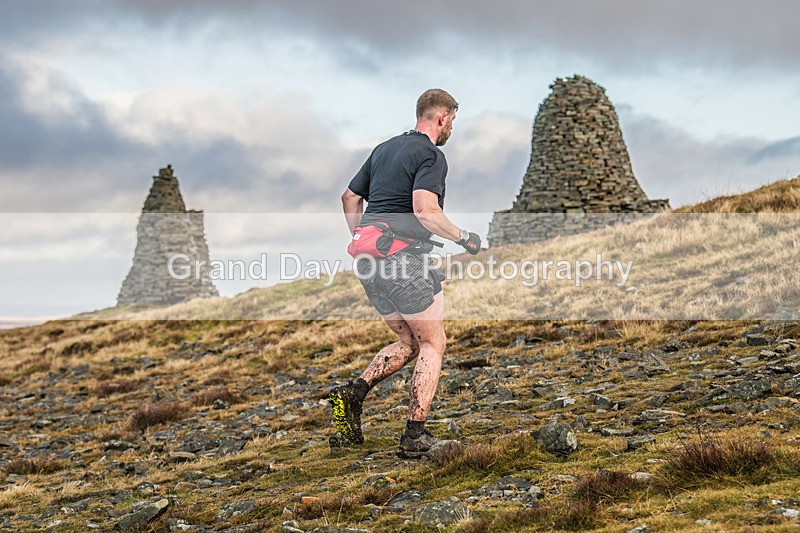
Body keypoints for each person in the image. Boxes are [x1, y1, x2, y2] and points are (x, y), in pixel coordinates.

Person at [330, 88, 481, 457]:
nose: (450, 130)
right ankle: (415, 435)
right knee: (433, 343)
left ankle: (352, 394)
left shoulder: (383, 149)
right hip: (404, 261)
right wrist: (465, 237)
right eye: (452, 121)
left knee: (409, 343)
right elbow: (425, 210)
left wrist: (364, 237)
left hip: (368, 261)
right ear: (442, 117)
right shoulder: (431, 153)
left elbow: (349, 197)